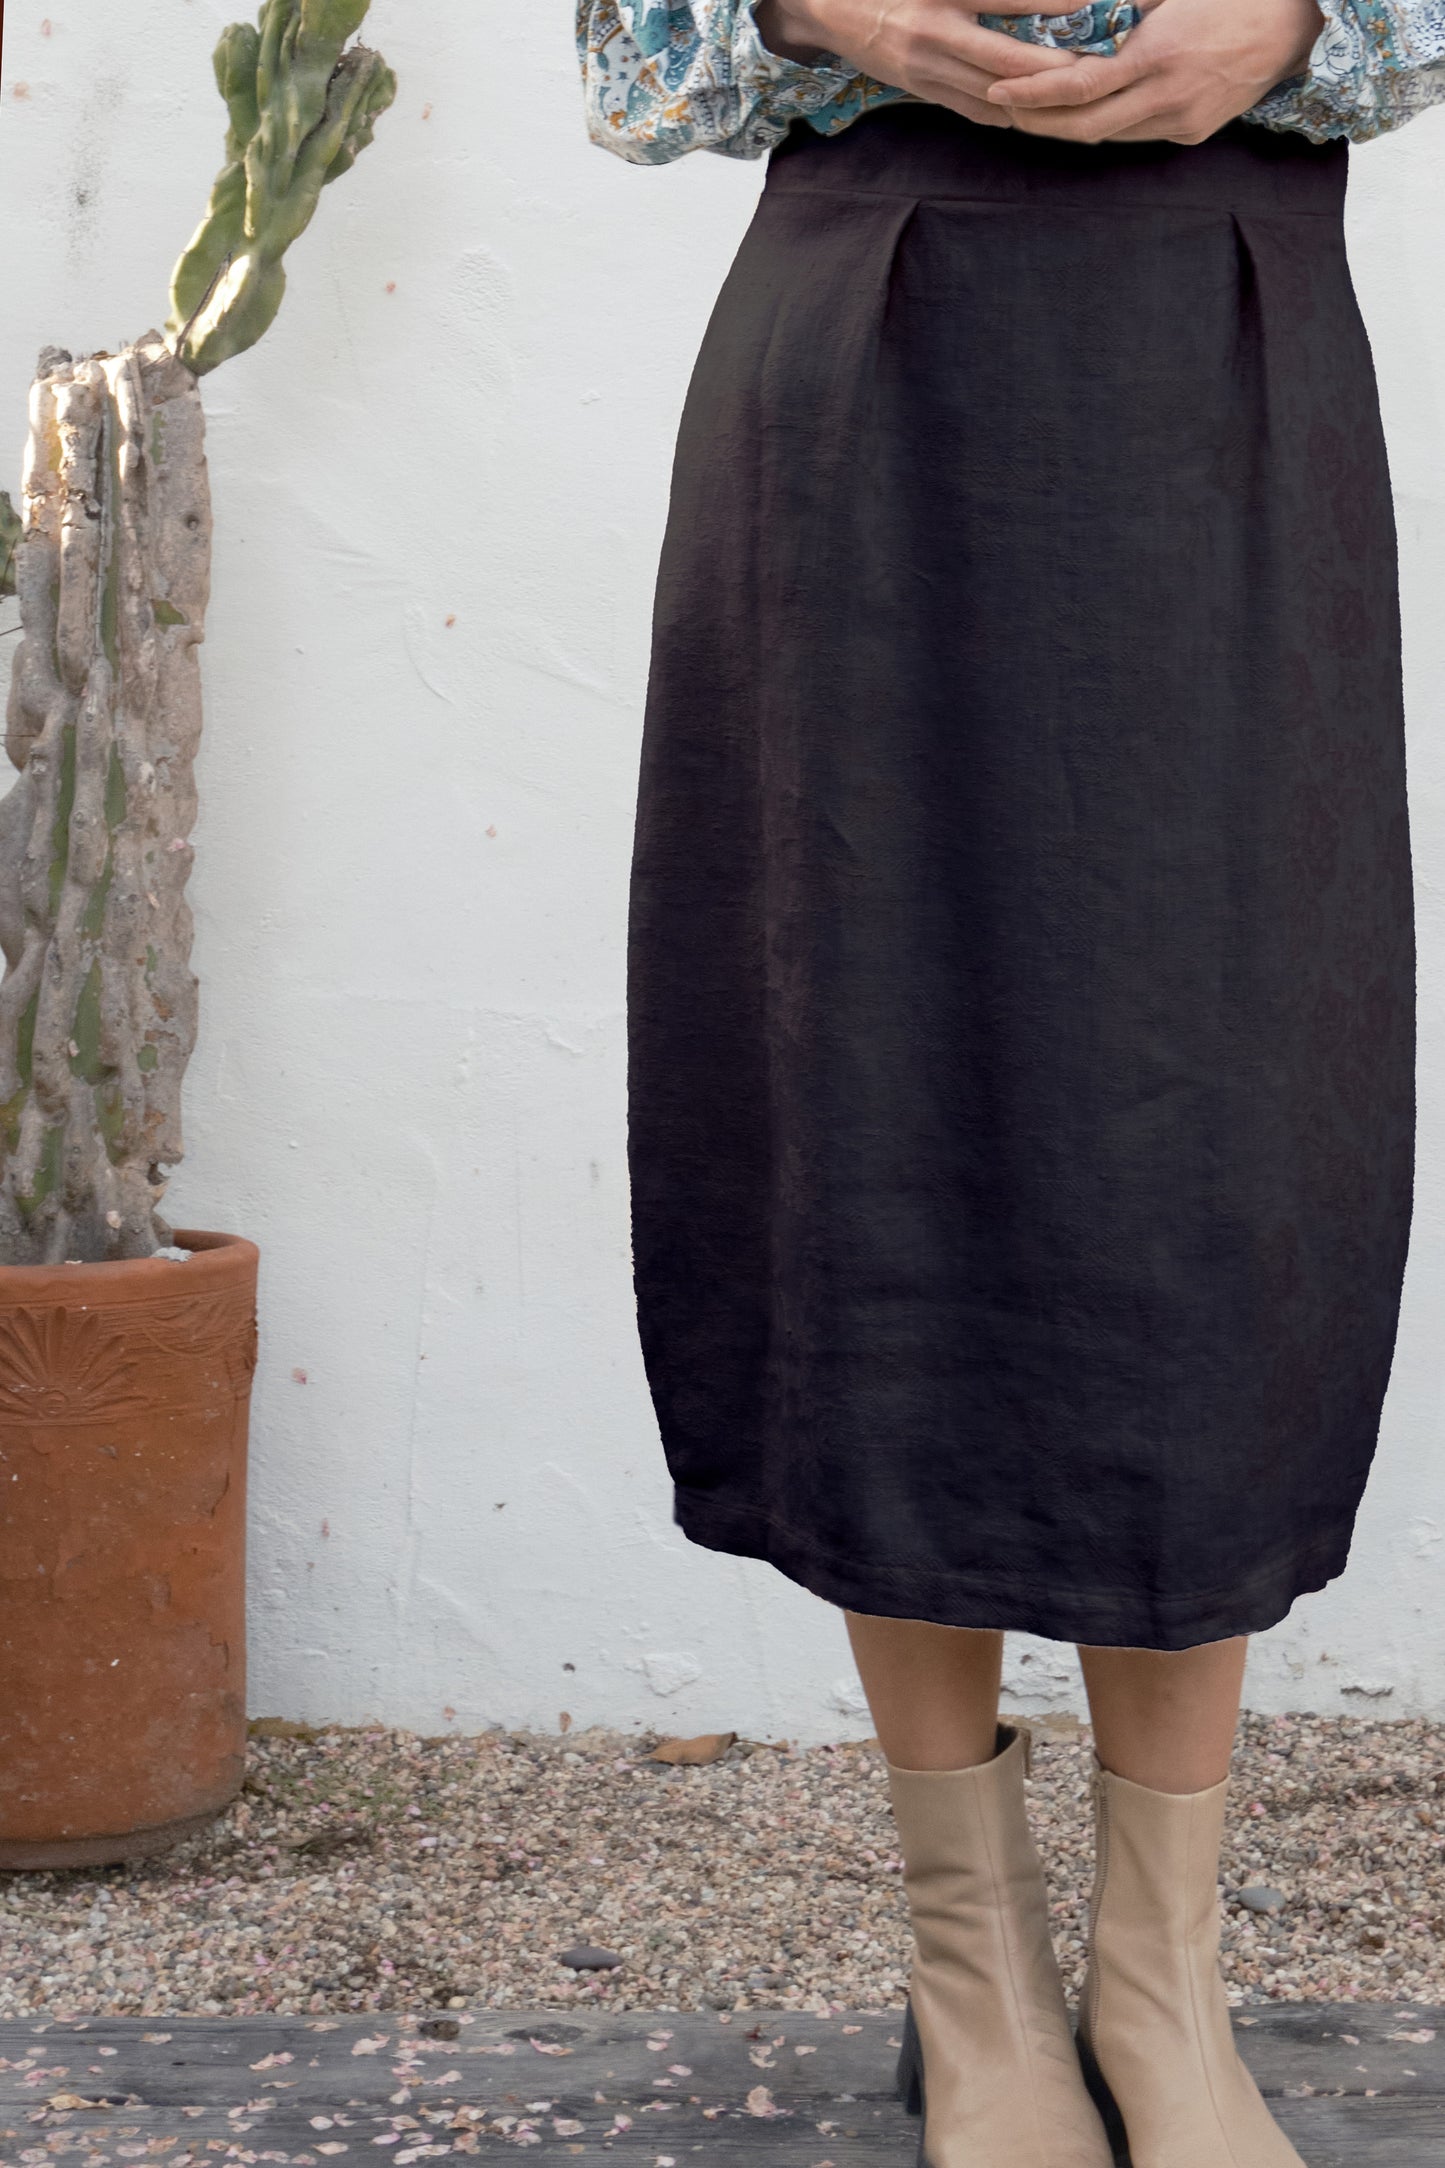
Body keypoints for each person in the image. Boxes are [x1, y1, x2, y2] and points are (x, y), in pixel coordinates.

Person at [576, 5, 1438, 2163]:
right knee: (878, 1114)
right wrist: (816, 7)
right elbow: (627, 53)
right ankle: (972, 1977)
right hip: (867, 340)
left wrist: (1301, 15)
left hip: (1220, 335)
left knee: (1215, 1152)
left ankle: (1161, 1985)